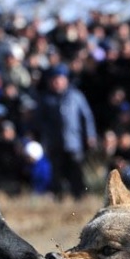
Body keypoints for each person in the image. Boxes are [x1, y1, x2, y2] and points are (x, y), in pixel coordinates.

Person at [35, 63, 97, 200]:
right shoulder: (45, 99)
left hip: (74, 142)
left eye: (60, 79)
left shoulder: (76, 96)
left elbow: (87, 117)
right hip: (54, 142)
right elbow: (40, 121)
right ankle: (59, 196)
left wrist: (90, 135)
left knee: (76, 169)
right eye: (54, 80)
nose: (57, 82)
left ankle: (79, 195)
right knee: (57, 171)